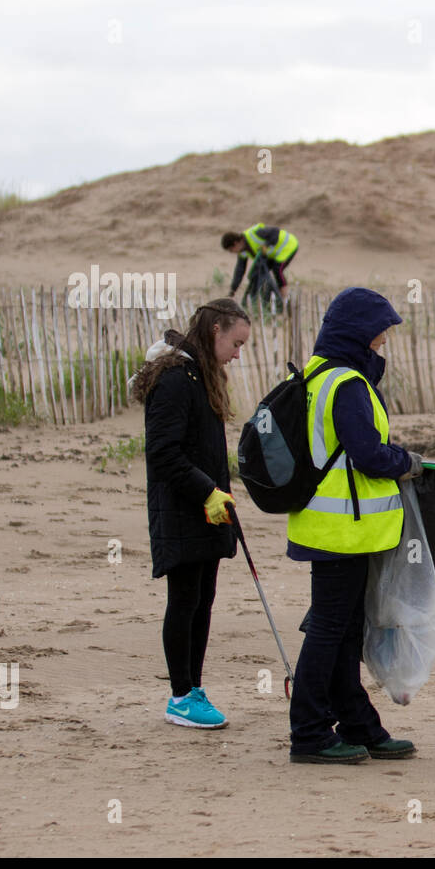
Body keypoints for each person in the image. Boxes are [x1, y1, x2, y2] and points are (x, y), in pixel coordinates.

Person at [286, 287, 426, 764]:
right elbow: (367, 454)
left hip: (331, 526)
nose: (382, 343)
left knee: (342, 631)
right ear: (358, 334)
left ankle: (359, 725)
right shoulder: (346, 383)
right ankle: (308, 732)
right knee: (329, 631)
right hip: (343, 528)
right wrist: (406, 460)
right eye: (378, 335)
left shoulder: (317, 375)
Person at [131, 299, 251, 729]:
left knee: (203, 600)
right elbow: (163, 453)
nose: (238, 354)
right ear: (215, 330)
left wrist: (220, 495)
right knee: (184, 600)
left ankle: (194, 688)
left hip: (208, 509)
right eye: (235, 344)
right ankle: (180, 696)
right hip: (183, 507)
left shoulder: (202, 375)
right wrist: (206, 492)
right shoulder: (175, 379)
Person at [222, 223, 299, 301]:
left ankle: (284, 297)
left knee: (277, 269)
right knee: (261, 272)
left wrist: (266, 245)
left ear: (235, 244)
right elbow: (239, 271)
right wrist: (233, 290)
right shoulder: (242, 252)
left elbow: (275, 231)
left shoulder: (254, 234)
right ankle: (272, 298)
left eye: (231, 250)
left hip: (288, 245)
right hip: (274, 254)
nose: (233, 253)